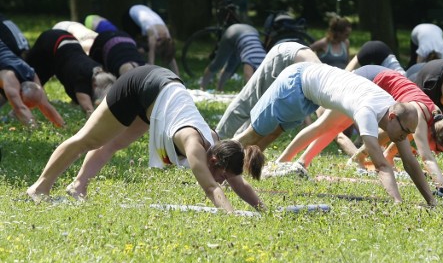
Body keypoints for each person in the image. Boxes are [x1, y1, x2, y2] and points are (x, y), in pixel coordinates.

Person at [26, 65, 265, 213]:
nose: (223, 181)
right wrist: (232, 217)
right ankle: (39, 188)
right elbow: (212, 189)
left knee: (115, 143)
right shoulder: (194, 144)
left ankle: (77, 187)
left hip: (160, 93)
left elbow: (239, 183)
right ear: (213, 160)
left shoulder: (218, 147)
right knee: (88, 140)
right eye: (223, 175)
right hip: (140, 84)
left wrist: (264, 210)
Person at [233, 62, 436, 206]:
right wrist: (397, 203)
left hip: (309, 94)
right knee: (252, 136)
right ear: (392, 118)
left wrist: (432, 202)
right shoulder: (367, 111)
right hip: (296, 82)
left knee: (268, 136)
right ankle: (213, 160)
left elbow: (410, 161)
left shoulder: (394, 116)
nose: (407, 137)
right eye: (406, 132)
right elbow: (381, 165)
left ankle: (231, 174)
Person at [348, 65, 443, 186]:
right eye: (439, 149)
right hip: (367, 78)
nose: (436, 152)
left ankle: (382, 156)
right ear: (432, 135)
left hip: (383, 75)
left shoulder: (439, 121)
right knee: (336, 126)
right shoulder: (420, 119)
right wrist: (442, 187)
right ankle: (357, 158)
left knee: (399, 129)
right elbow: (427, 158)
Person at [216, 42, 320, 139]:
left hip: (299, 70)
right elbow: (320, 117)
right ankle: (217, 139)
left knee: (265, 112)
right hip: (285, 57)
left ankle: (237, 145)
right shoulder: (330, 98)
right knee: (250, 99)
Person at [26, 29, 116, 117]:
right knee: (31, 80)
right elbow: (89, 110)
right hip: (50, 41)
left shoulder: (99, 69)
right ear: (95, 85)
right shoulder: (82, 79)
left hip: (67, 40)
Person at [0, 41, 65, 128]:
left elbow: (45, 105)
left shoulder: (33, 75)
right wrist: (35, 129)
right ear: (20, 93)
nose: (27, 108)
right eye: (26, 105)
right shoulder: (10, 79)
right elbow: (20, 108)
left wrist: (63, 126)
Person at [199, 23, 266, 90]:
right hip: (232, 33)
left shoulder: (266, 60)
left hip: (250, 30)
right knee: (218, 64)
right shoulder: (251, 60)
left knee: (232, 64)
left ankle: (219, 89)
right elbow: (248, 80)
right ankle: (202, 87)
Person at [124, 4, 179, 75]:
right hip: (130, 14)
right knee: (135, 46)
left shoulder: (167, 37)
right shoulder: (153, 35)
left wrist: (178, 77)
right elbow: (151, 61)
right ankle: (130, 65)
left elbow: (171, 57)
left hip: (143, 8)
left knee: (144, 48)